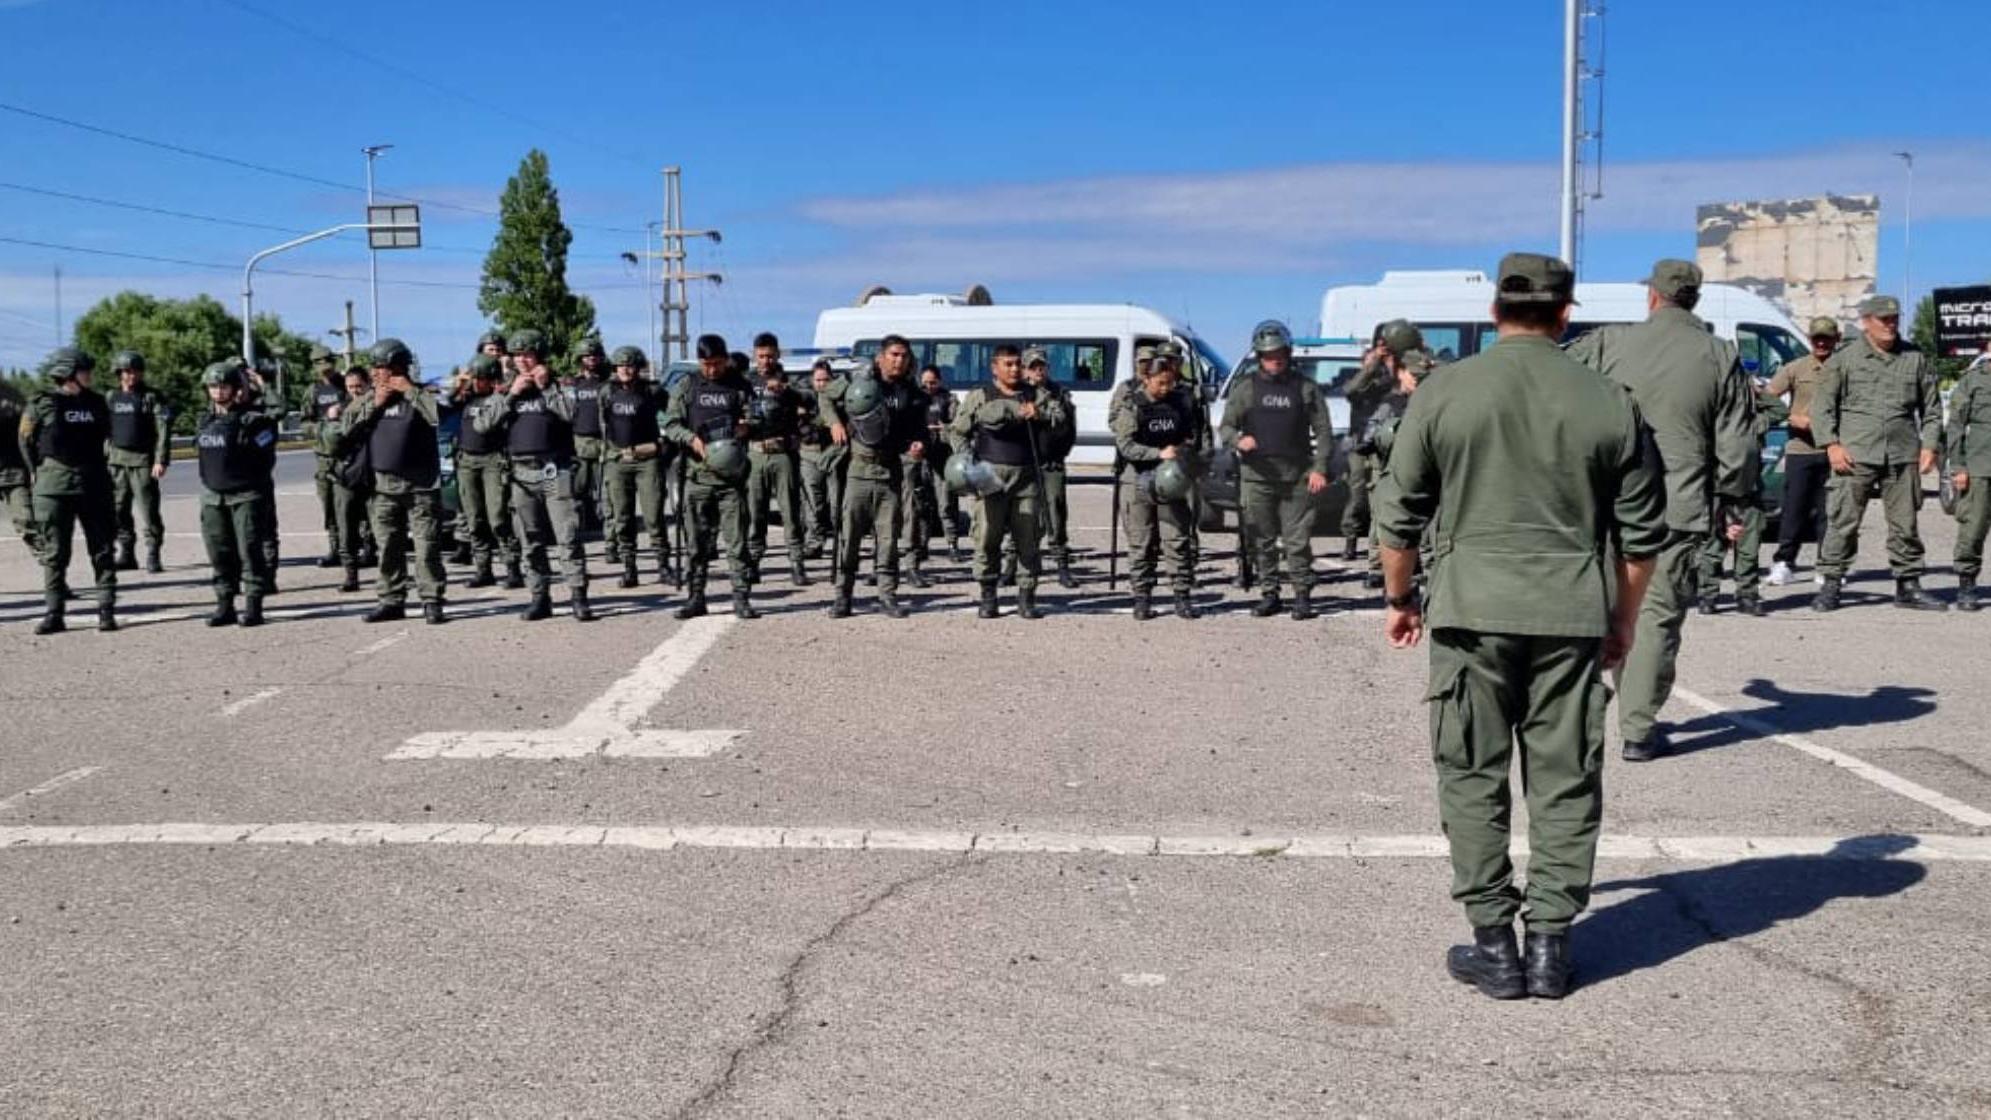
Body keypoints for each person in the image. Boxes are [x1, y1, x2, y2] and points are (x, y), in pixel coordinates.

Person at [1374, 251, 1667, 1001]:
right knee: (1565, 778)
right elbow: (1640, 537)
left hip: (1471, 611)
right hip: (1570, 611)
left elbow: (1397, 518)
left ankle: (1492, 946)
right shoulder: (1608, 399)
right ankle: (1549, 949)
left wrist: (1400, 599)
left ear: (1495, 312)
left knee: (1471, 773)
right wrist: (1621, 624)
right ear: (1565, 312)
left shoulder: (1443, 392)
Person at [1565, 259, 1756, 763]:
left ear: (1652, 297)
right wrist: (1731, 500)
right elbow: (1737, 451)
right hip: (1677, 507)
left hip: (1601, 502)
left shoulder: (1609, 343)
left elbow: (1556, 390)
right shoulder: (1720, 355)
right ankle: (1637, 730)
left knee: (1584, 611)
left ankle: (1574, 720)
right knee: (1654, 618)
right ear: (1694, 299)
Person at [1812, 295, 1947, 613]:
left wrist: (1929, 445)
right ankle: (1831, 583)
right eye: (1883, 319)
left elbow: (1931, 408)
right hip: (1854, 454)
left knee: (1905, 523)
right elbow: (1823, 407)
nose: (1890, 324)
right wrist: (1831, 444)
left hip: (1902, 454)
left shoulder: (1914, 357)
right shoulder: (1844, 359)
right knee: (1843, 521)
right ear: (1866, 322)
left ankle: (1908, 584)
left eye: (1894, 319)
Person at [472, 329, 592, 623]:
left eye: (528, 355)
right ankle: (540, 597)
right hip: (521, 474)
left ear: (539, 356)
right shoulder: (505, 389)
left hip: (555, 469)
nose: (523, 361)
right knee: (530, 538)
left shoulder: (558, 385)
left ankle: (578, 596)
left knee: (568, 535)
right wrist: (512, 394)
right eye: (517, 355)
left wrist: (547, 387)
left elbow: (572, 414)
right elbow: (482, 424)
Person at [1219, 320, 1335, 620]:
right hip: (1257, 478)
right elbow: (1226, 426)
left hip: (1296, 477)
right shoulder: (1246, 389)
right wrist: (1237, 439)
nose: (1275, 359)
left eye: (1280, 353)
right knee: (1262, 540)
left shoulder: (1305, 388)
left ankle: (1302, 595)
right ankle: (1269, 593)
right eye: (1269, 355)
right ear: (1259, 356)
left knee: (1297, 541)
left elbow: (1323, 432)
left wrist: (1320, 468)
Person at [949, 344, 1064, 619]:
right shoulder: (981, 396)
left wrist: (1040, 415)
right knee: (987, 537)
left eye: (1017, 364)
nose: (1014, 369)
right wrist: (968, 466)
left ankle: (1027, 596)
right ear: (995, 367)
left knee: (1028, 539)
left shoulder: (1035, 395)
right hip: (990, 475)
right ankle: (988, 596)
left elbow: (1061, 419)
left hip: (1026, 476)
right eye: (1008, 364)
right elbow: (957, 433)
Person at [341, 338, 447, 626]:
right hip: (383, 486)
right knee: (387, 546)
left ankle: (432, 601)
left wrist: (410, 392)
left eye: (381, 367)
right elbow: (346, 427)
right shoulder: (370, 397)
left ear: (398, 368)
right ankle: (390, 600)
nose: (375, 373)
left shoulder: (423, 393)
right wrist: (374, 404)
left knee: (426, 547)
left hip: (421, 486)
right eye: (374, 368)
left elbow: (440, 416)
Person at [822, 334, 929, 618]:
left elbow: (919, 430)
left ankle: (888, 595)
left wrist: (919, 445)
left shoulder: (911, 392)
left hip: (890, 470)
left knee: (888, 537)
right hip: (858, 469)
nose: (899, 360)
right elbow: (826, 397)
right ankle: (843, 596)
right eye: (893, 354)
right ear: (881, 357)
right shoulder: (861, 380)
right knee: (850, 536)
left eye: (904, 356)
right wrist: (834, 424)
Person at [20, 347, 118, 634]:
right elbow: (25, 440)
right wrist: (36, 471)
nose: (90, 375)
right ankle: (54, 612)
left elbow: (110, 438)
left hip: (94, 484)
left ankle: (106, 609)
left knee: (102, 549)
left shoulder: (99, 403)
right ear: (68, 374)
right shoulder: (41, 403)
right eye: (84, 370)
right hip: (54, 488)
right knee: (55, 552)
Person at [664, 333, 759, 620]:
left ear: (726, 359)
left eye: (717, 363)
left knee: (737, 542)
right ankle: (696, 596)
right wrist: (690, 439)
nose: (712, 370)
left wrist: (747, 426)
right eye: (706, 364)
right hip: (698, 476)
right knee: (697, 543)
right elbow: (670, 423)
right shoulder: (688, 385)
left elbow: (757, 416)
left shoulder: (740, 385)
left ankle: (741, 596)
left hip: (731, 480)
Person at [1110, 344, 1206, 619]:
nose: (1166, 388)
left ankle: (1182, 595)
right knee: (1141, 542)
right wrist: (1157, 453)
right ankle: (1142, 597)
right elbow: (1126, 445)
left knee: (1176, 539)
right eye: (1160, 383)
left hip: (1172, 480)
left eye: (1170, 382)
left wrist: (1185, 452)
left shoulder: (1180, 403)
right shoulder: (1132, 406)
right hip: (1137, 479)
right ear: (1147, 379)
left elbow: (1191, 435)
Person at [193, 361, 277, 627]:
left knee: (249, 552)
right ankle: (225, 605)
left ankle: (253, 606)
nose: (217, 391)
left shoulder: (252, 421)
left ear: (235, 388)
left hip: (245, 496)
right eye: (213, 386)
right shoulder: (204, 421)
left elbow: (266, 457)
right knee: (219, 554)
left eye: (223, 386)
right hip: (212, 497)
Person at [1697, 386, 1789, 616]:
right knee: (1713, 548)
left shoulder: (1753, 423)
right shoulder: (1712, 423)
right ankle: (1708, 595)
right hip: (1717, 493)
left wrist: (1757, 392)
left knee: (1749, 549)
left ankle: (1746, 596)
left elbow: (1780, 411)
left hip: (1749, 494)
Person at [1764, 318, 1841, 585]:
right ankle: (1784, 562)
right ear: (1810, 339)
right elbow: (1766, 398)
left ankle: (1828, 565)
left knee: (1830, 512)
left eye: (1827, 338)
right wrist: (1789, 417)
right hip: (1800, 449)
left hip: (1835, 450)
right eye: (1817, 338)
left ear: (1836, 338)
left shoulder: (1845, 368)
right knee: (1793, 509)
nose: (1821, 343)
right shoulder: (1795, 368)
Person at [1344, 322, 1422, 566]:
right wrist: (1374, 363)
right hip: (1365, 444)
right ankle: (1354, 541)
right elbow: (1352, 390)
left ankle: (1382, 561)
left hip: (1397, 440)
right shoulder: (1371, 373)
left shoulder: (1404, 370)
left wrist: (1398, 365)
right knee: (1361, 500)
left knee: (1391, 503)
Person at [601, 345, 675, 589]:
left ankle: (664, 566)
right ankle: (629, 568)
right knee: (622, 518)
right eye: (621, 365)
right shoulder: (607, 392)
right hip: (618, 461)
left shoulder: (653, 392)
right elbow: (601, 428)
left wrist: (664, 446)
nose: (625, 370)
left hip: (648, 460)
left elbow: (672, 419)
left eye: (630, 365)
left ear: (639, 367)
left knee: (654, 516)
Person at [450, 355, 522, 590]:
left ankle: (512, 567)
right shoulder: (466, 399)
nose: (476, 382)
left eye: (481, 378)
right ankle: (483, 569)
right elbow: (445, 399)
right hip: (467, 462)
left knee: (498, 518)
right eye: (475, 378)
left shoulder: (499, 399)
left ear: (491, 379)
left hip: (492, 461)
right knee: (474, 519)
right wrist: (461, 381)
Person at [745, 350, 810, 586]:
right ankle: (753, 561)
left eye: (770, 356)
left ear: (777, 355)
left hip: (783, 453)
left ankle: (797, 562)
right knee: (755, 511)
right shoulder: (748, 381)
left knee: (790, 511)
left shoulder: (789, 380)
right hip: (756, 453)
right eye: (761, 356)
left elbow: (810, 397)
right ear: (755, 356)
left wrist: (787, 390)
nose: (766, 361)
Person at [104, 349, 172, 573]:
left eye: (135, 371)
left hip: (143, 460)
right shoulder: (110, 397)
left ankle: (153, 552)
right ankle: (127, 553)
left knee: (148, 510)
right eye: (126, 371)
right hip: (116, 461)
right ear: (119, 373)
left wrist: (160, 459)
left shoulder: (151, 397)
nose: (131, 376)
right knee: (117, 509)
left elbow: (163, 429)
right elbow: (103, 430)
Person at [1023, 349, 1079, 588]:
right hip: (1023, 463)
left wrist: (1040, 414)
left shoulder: (1058, 393)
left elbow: (1065, 423)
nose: (1038, 370)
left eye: (1041, 366)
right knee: (1021, 515)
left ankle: (1061, 565)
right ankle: (1013, 566)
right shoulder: (1017, 392)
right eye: (1033, 366)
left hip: (1050, 462)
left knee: (1055, 513)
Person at [1944, 341, 1991, 611]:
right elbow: (1956, 427)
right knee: (1973, 529)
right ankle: (1967, 582)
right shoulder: (1973, 380)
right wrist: (1959, 467)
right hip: (1980, 467)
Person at [326, 367, 374, 592]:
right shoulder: (340, 410)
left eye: (359, 387)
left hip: (374, 475)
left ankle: (385, 569)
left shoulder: (378, 407)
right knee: (346, 528)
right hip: (346, 476)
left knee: (381, 528)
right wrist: (332, 422)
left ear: (368, 384)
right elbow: (331, 445)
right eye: (351, 387)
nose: (355, 391)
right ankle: (351, 575)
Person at [304, 344, 349, 569]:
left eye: (328, 367)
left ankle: (364, 547)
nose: (326, 372)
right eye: (321, 368)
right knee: (329, 505)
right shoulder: (312, 391)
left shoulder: (348, 385)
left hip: (349, 454)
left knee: (353, 505)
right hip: (324, 456)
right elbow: (305, 423)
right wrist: (324, 426)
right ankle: (336, 548)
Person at [797, 360, 845, 564]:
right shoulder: (804, 398)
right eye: (818, 380)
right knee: (812, 502)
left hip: (834, 454)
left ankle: (843, 544)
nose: (822, 384)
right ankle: (814, 542)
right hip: (810, 454)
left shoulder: (840, 400)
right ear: (811, 380)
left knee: (838, 503)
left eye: (826, 379)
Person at [917, 364, 963, 563]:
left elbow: (959, 427)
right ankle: (921, 545)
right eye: (925, 383)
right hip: (921, 459)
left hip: (943, 458)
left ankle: (952, 544)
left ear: (940, 381)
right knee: (921, 505)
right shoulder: (915, 399)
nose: (929, 387)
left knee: (946, 504)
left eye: (932, 383)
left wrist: (943, 429)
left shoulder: (949, 400)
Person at [569, 336, 611, 551]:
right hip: (579, 443)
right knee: (576, 489)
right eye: (587, 355)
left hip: (604, 442)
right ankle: (575, 535)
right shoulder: (573, 384)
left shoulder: (608, 384)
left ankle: (611, 541)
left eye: (594, 355)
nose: (591, 359)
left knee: (606, 491)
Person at [0, 387, 41, 558]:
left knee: (27, 523)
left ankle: (53, 572)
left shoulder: (12, 398)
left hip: (12, 472)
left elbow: (29, 435)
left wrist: (33, 468)